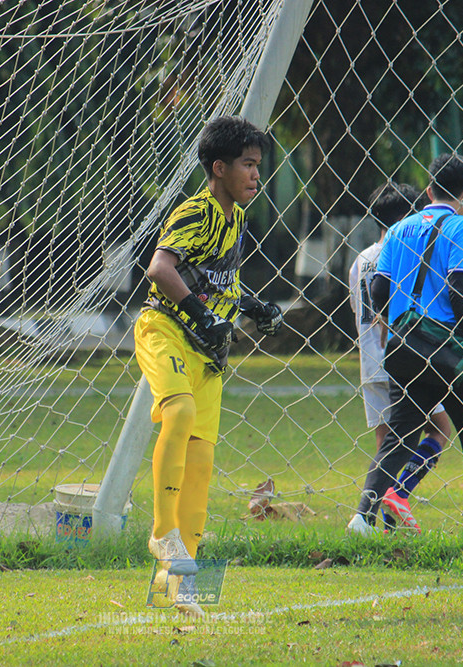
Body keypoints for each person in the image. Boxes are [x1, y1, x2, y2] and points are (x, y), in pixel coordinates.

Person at [135, 115, 283, 616]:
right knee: (175, 415)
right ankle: (161, 534)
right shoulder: (195, 211)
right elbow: (160, 268)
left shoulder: (236, 218)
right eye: (247, 165)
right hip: (165, 331)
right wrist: (201, 315)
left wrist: (253, 306)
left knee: (199, 466)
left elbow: (215, 279)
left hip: (208, 353)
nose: (256, 175)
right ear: (218, 168)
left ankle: (179, 584)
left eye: (258, 165)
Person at [348, 154, 463, 537]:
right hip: (446, 349)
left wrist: (391, 322)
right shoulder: (462, 227)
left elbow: (379, 289)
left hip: (402, 349)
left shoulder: (399, 229)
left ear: (429, 189)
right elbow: (460, 290)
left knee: (399, 437)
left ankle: (362, 520)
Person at [347, 183, 453, 534]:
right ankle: (400, 493)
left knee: (386, 445)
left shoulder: (360, 260)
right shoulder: (406, 251)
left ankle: (379, 525)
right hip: (405, 358)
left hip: (370, 363)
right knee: (440, 430)